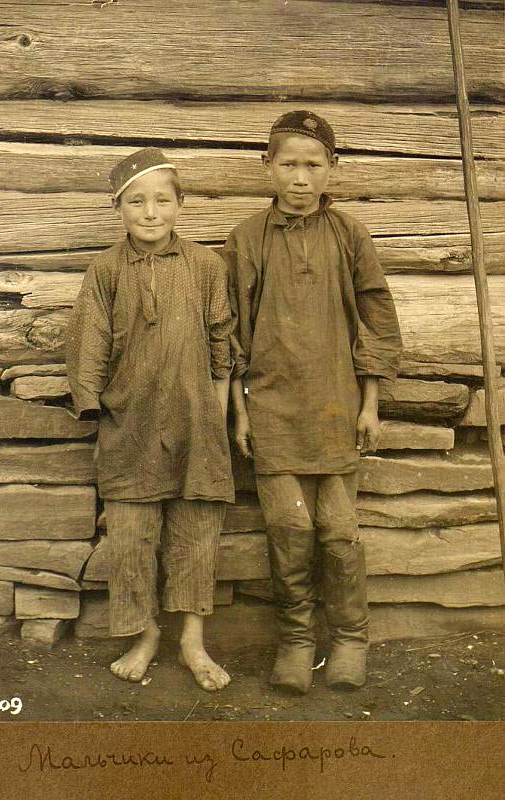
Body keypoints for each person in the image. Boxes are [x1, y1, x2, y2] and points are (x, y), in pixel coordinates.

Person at [223, 111, 402, 695]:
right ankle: (296, 640)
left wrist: (369, 403)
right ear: (267, 168)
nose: (301, 177)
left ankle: (350, 638)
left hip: (336, 408)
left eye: (313, 165)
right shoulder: (247, 239)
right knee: (287, 526)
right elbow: (230, 331)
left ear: (332, 169)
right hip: (272, 411)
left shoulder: (349, 234)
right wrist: (240, 412)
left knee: (338, 530)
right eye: (289, 164)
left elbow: (376, 318)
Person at [67, 147, 234, 692]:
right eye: (136, 202)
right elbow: (88, 343)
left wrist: (218, 416)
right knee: (132, 536)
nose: (150, 212)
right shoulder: (106, 269)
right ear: (119, 209)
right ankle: (144, 635)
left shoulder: (207, 267)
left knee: (195, 532)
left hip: (195, 422)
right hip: (130, 423)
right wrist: (94, 402)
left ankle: (191, 641)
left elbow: (220, 343)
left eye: (163, 200)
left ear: (180, 205)